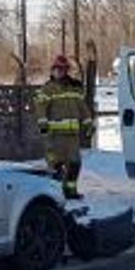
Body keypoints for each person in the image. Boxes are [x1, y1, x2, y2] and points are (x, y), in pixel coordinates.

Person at [35, 55, 93, 200]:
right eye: (57, 69)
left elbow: (83, 108)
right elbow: (40, 106)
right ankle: (55, 194)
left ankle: (70, 191)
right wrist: (43, 124)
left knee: (75, 164)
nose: (59, 72)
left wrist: (88, 124)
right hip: (55, 136)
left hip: (72, 136)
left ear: (66, 70)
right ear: (52, 70)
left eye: (62, 69)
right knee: (56, 166)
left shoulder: (74, 88)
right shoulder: (48, 89)